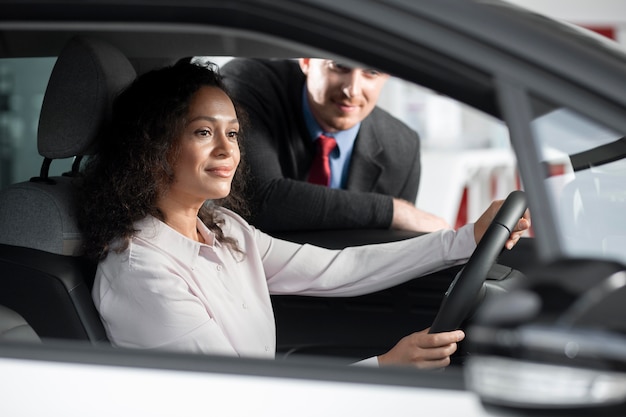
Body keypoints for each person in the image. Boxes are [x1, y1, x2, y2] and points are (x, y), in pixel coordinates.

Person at [78, 61, 530, 369]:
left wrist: (466, 239)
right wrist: (386, 367)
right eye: (203, 132)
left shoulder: (223, 229)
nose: (227, 150)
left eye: (232, 133)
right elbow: (234, 401)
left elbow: (339, 268)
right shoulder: (143, 271)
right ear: (153, 147)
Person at [221, 58, 450, 233]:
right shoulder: (251, 82)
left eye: (371, 72)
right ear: (307, 61)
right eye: (340, 66)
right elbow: (258, 200)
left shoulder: (402, 146)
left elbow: (397, 256)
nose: (352, 90)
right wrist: (392, 211)